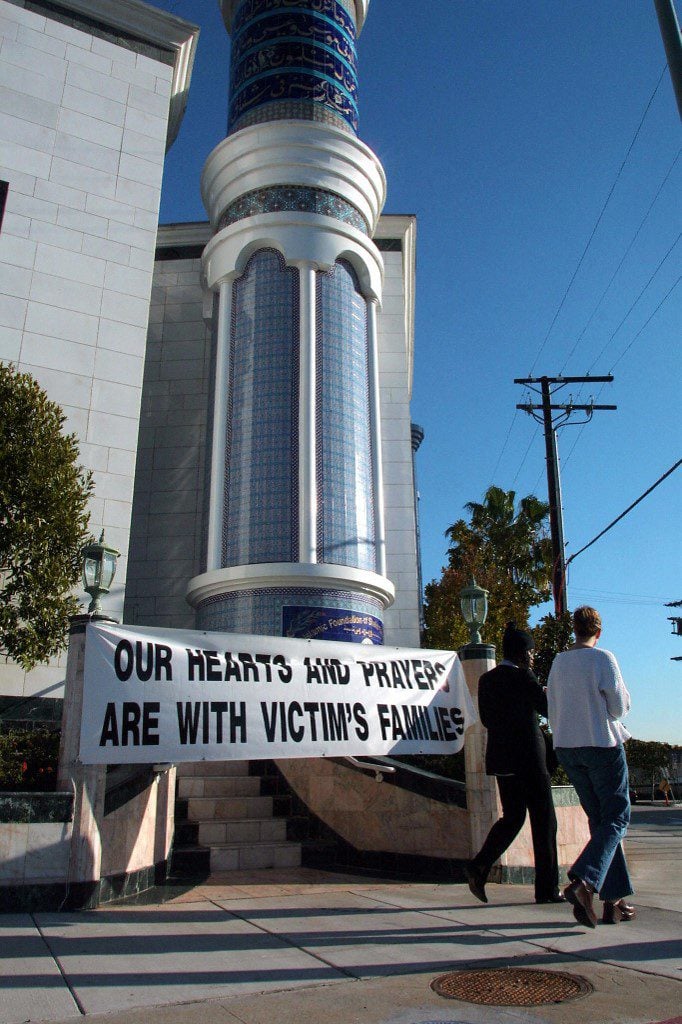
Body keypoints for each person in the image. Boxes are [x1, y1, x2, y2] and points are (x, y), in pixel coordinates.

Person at [547, 605, 635, 928]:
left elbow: (552, 705)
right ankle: (584, 882)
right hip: (601, 745)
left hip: (568, 748)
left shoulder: (558, 662)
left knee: (600, 822)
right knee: (617, 818)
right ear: (598, 632)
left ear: (575, 629)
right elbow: (619, 707)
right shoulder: (603, 659)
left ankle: (613, 901)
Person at [464, 622, 563, 906]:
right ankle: (546, 890)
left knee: (513, 817)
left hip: (503, 760)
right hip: (530, 762)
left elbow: (487, 720)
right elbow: (548, 710)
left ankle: (479, 865)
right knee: (545, 823)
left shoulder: (487, 679)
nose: (533, 657)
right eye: (531, 653)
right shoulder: (524, 677)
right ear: (522, 654)